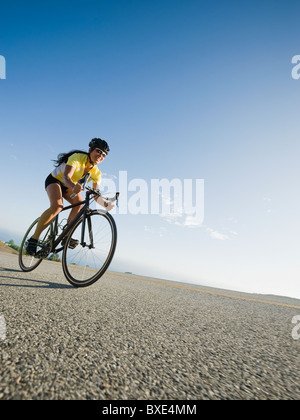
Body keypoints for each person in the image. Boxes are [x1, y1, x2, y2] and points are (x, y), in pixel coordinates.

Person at [26, 138, 114, 255]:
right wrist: (73, 186)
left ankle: (66, 236)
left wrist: (105, 204)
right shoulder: (77, 157)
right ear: (90, 150)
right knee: (57, 206)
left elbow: (96, 195)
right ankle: (34, 239)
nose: (100, 155)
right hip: (55, 181)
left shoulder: (97, 173)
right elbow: (66, 178)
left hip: (70, 188)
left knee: (79, 205)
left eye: (104, 154)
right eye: (98, 151)